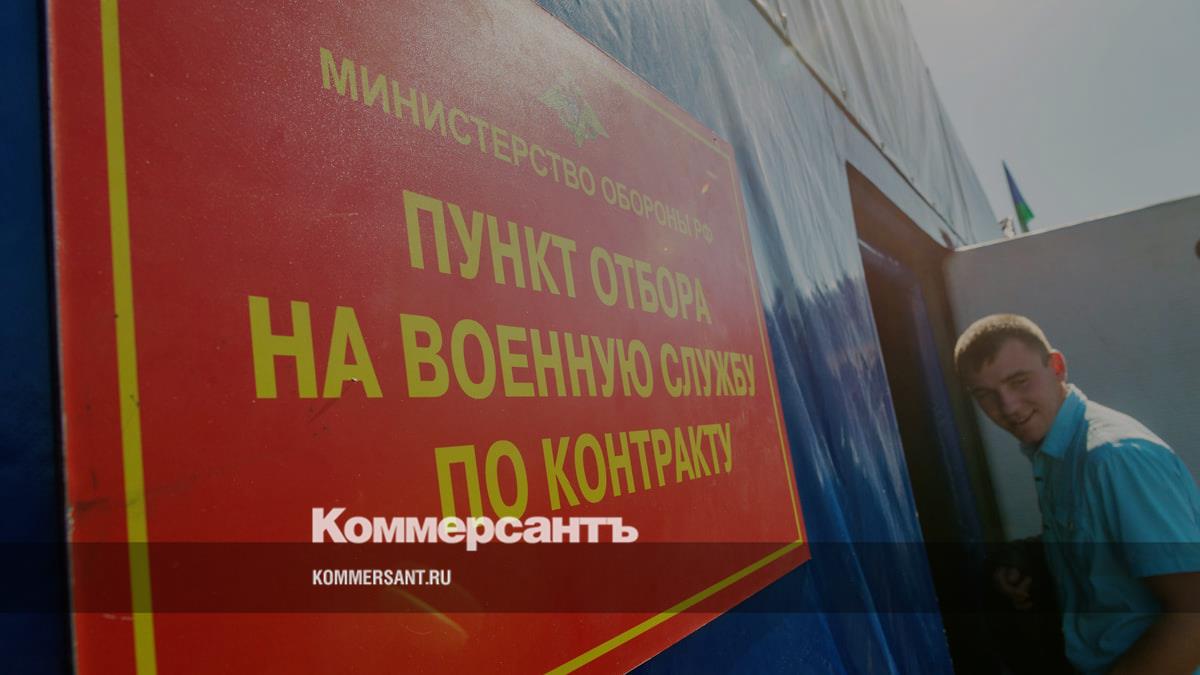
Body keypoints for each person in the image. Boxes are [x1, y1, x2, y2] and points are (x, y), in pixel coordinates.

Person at [954, 314, 1200, 675]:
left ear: (1057, 366)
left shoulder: (1113, 458)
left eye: (1019, 381)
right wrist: (1024, 561)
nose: (1008, 406)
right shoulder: (1059, 450)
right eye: (986, 395)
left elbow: (1193, 616)